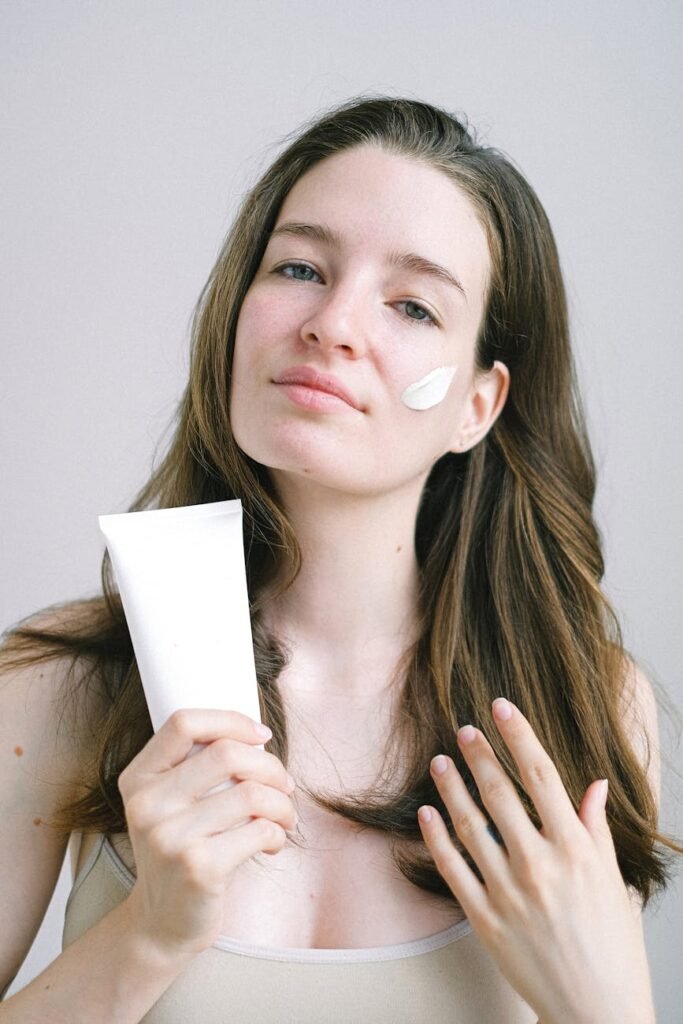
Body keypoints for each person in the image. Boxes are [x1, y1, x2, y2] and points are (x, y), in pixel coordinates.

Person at [0, 95, 679, 1023]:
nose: (332, 322)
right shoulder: (57, 690)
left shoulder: (585, 707)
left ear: (478, 404)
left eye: (411, 304)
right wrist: (146, 933)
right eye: (299, 267)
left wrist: (605, 1009)